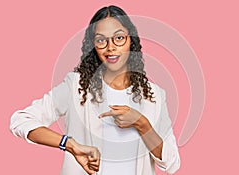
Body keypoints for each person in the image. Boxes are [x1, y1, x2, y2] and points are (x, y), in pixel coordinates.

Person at [10, 5, 180, 175]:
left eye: (119, 38)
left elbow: (172, 162)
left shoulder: (154, 95)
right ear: (93, 45)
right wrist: (69, 144)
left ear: (131, 40)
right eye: (101, 40)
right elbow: (20, 120)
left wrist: (142, 124)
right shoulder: (76, 87)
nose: (110, 47)